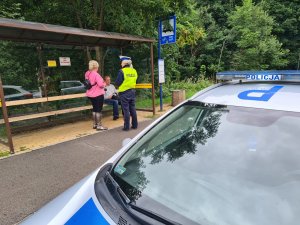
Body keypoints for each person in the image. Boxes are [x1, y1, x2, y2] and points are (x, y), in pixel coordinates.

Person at [115, 56, 138, 131]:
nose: (121, 64)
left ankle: (126, 127)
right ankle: (135, 125)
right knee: (133, 109)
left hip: (124, 93)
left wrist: (117, 86)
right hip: (132, 91)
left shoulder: (122, 71)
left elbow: (118, 82)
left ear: (123, 63)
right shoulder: (134, 71)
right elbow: (135, 79)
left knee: (126, 110)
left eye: (121, 63)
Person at [85, 60, 108, 131]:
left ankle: (95, 124)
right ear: (96, 66)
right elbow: (101, 85)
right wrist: (104, 84)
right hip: (98, 94)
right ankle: (99, 126)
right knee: (99, 110)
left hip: (90, 94)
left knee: (94, 109)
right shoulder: (96, 74)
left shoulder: (87, 73)